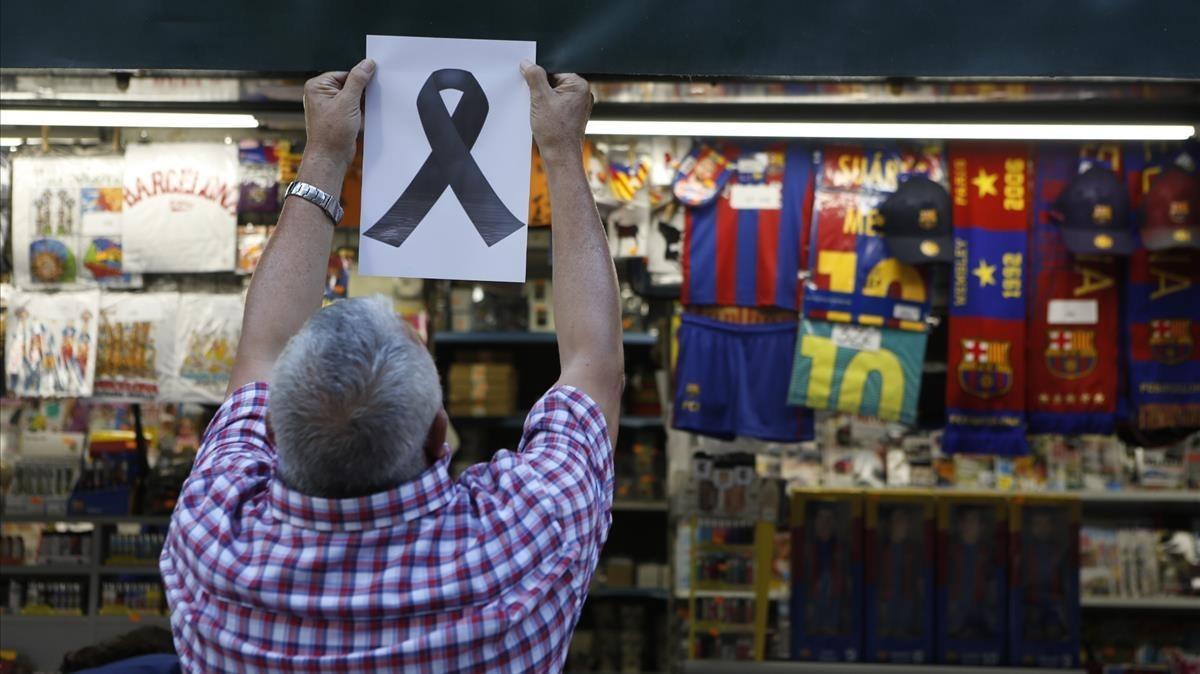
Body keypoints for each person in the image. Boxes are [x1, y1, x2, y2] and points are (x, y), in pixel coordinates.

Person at [159, 58, 623, 673]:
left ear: (270, 430)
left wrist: (324, 155)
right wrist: (561, 152)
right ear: (439, 435)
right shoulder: (519, 543)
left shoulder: (214, 544)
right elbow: (594, 365)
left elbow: (262, 349)